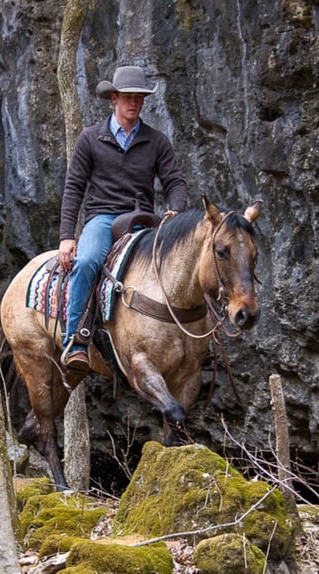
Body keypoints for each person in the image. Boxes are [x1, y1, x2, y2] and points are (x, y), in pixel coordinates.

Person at [58, 65, 189, 371]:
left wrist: (176, 210)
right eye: (128, 97)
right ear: (113, 99)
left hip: (143, 219)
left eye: (139, 98)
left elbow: (175, 182)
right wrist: (67, 236)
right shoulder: (90, 139)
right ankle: (76, 339)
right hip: (103, 217)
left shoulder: (156, 141)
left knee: (176, 265)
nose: (134, 103)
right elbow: (74, 188)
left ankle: (186, 342)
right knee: (89, 260)